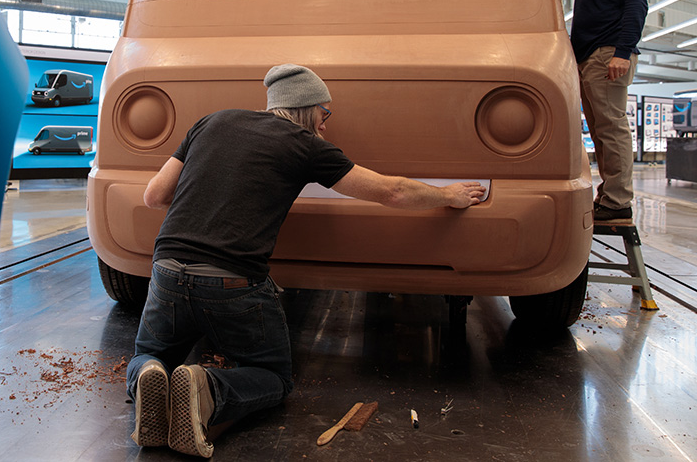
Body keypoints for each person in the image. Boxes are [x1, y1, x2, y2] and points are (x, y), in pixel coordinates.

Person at [126, 64, 486, 458]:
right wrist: (448, 194)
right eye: (324, 113)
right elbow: (392, 192)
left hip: (166, 272)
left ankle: (147, 374)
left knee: (151, 354)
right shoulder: (304, 144)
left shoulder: (210, 122)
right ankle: (207, 390)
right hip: (232, 284)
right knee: (273, 378)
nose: (326, 124)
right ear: (306, 108)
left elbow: (153, 196)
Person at [550, 0, 647, 222]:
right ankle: (609, 198)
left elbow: (637, 4)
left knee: (611, 127)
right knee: (600, 127)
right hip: (589, 54)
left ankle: (618, 201)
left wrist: (622, 52)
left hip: (609, 53)